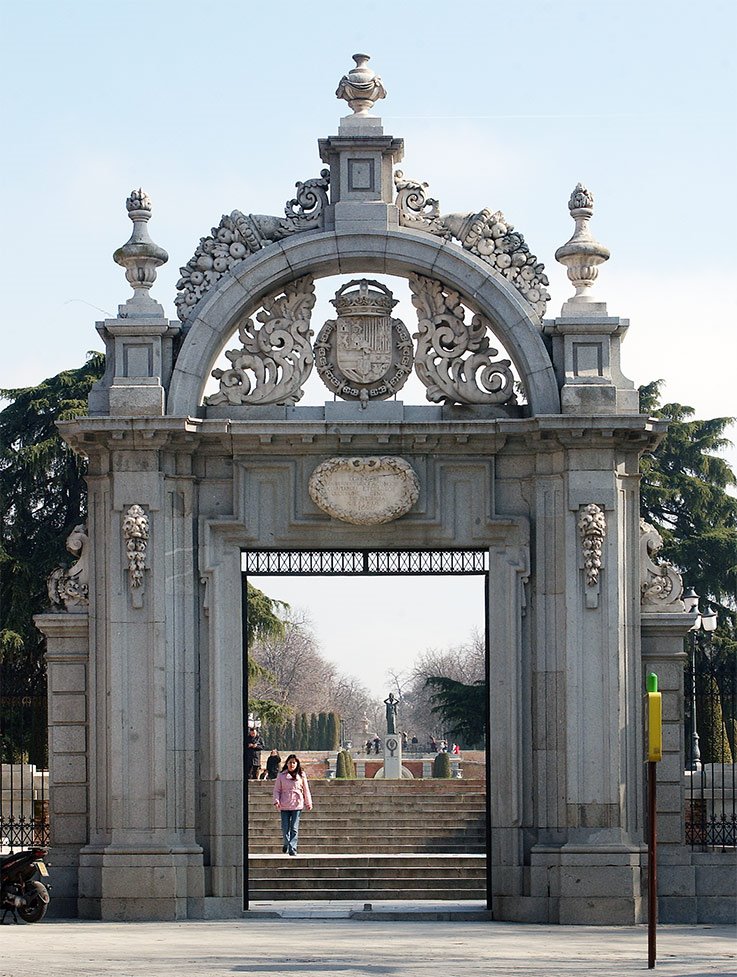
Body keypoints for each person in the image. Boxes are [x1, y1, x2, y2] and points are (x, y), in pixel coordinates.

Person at [272, 754, 313, 856]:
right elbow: (277, 790)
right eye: (290, 762)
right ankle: (286, 843)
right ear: (287, 763)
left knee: (294, 828)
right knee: (285, 828)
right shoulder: (281, 776)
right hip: (284, 804)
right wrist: (276, 800)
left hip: (297, 804)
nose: (292, 764)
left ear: (297, 764)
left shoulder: (301, 775)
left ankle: (292, 848)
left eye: (294, 762)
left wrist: (308, 802)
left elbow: (306, 790)